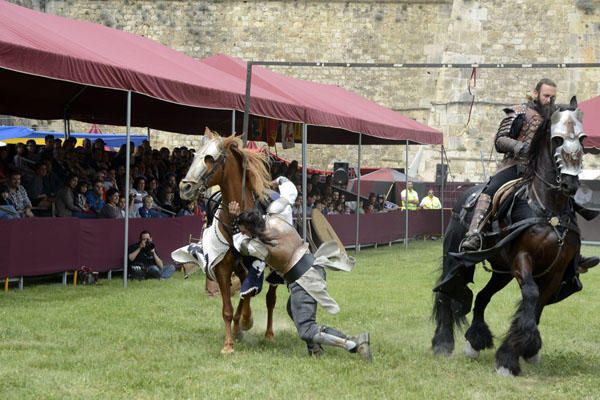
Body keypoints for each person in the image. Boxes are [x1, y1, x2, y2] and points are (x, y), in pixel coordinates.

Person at [227, 186, 371, 361]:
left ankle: (354, 342)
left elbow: (241, 245)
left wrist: (235, 223)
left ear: (249, 229)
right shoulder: (276, 216)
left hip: (303, 279)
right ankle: (315, 348)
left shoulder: (262, 245)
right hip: (314, 266)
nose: (244, 234)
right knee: (292, 309)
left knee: (306, 329)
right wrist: (279, 180)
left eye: (244, 231)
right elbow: (290, 192)